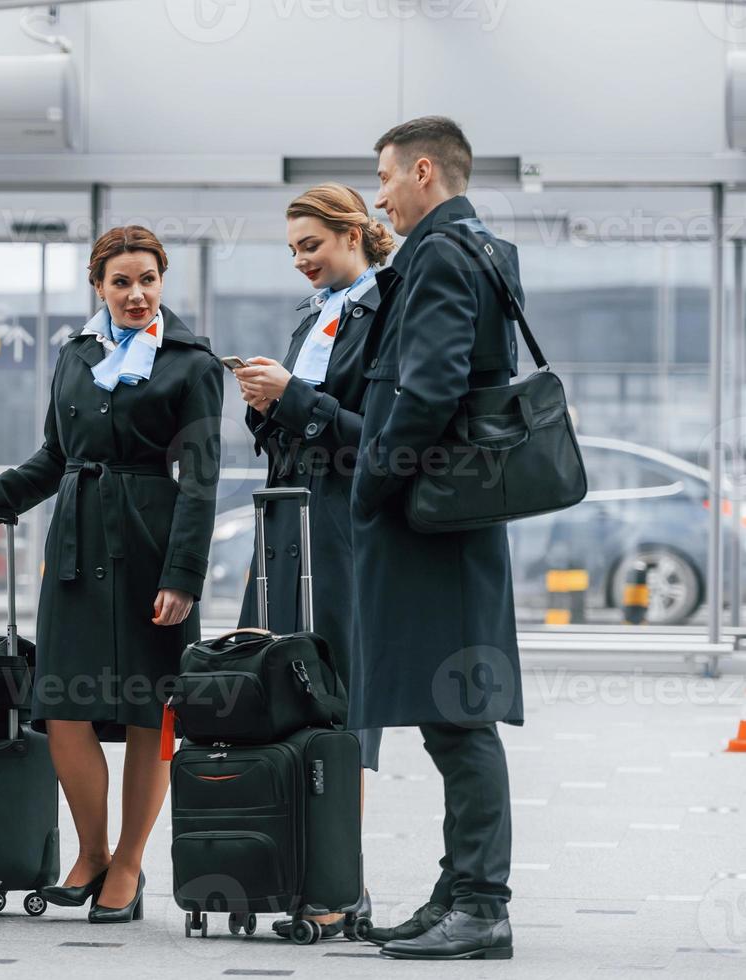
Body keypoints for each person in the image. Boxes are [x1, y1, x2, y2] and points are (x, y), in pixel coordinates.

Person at [0, 226, 223, 924]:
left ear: (162, 282)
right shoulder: (76, 355)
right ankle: (93, 850)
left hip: (151, 543)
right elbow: (53, 454)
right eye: (121, 282)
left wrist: (183, 575)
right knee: (63, 708)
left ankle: (129, 864)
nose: (136, 294)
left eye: (147, 280)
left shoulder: (193, 363)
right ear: (97, 286)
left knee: (148, 711)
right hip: (75, 543)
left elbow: (200, 480)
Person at [351, 116, 522, 960]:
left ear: (424, 171)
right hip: (450, 518)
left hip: (432, 521)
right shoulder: (471, 247)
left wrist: (374, 478)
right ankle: (458, 890)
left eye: (384, 176)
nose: (378, 194)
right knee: (449, 716)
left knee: (460, 718)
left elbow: (428, 388)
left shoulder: (444, 255)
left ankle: (483, 904)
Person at [232, 182, 394, 940]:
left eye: (312, 245)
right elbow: (301, 428)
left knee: (341, 702)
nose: (301, 260)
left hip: (342, 527)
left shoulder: (387, 308)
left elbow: (381, 436)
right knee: (275, 689)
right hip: (288, 519)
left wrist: (293, 396)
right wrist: (265, 406)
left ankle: (338, 882)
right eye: (293, 249)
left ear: (354, 232)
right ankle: (291, 870)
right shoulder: (316, 316)